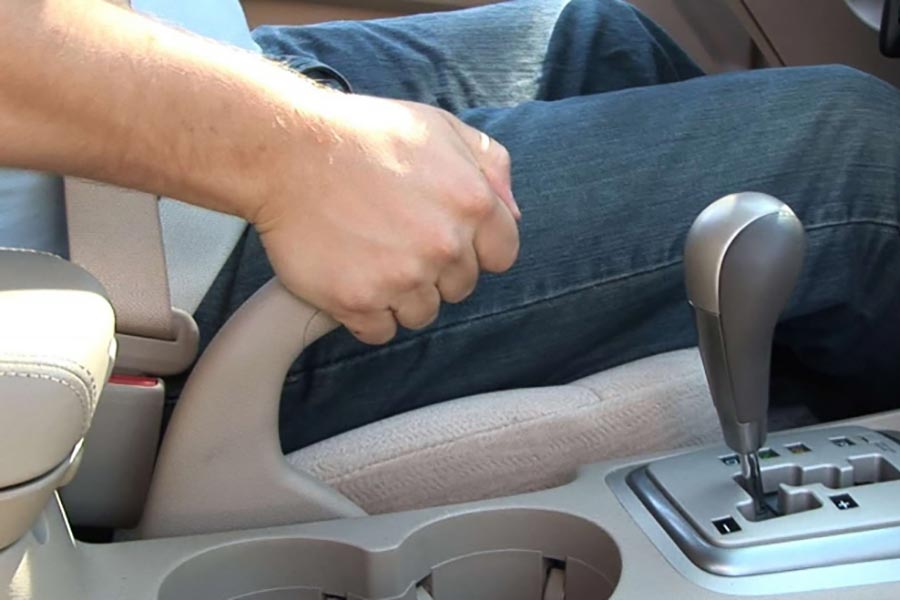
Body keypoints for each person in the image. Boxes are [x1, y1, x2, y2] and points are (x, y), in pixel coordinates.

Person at [1, 0, 898, 453]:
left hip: (123, 112)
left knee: (599, 38)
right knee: (852, 160)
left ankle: (806, 424)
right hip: (125, 275)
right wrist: (294, 157)